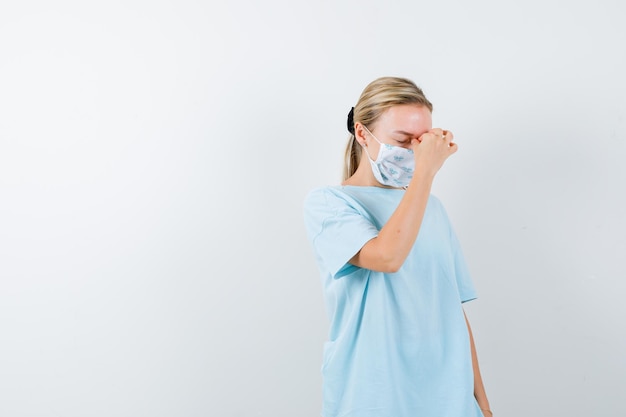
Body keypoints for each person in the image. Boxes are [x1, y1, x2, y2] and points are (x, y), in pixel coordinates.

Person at [303, 76, 492, 417]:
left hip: (449, 399)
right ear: (363, 134)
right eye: (402, 140)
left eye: (421, 143)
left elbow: (452, 311)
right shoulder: (329, 204)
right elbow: (387, 256)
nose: (414, 153)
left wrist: (483, 404)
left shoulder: (431, 209)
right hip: (373, 395)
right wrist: (425, 172)